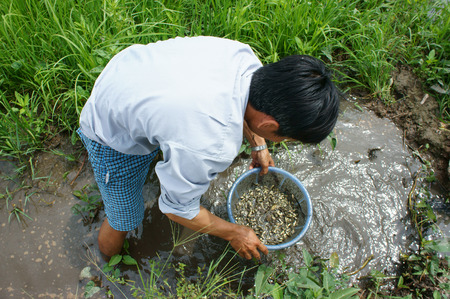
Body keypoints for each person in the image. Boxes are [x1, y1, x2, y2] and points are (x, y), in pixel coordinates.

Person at [77, 36, 339, 261]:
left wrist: (258, 143)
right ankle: (112, 269)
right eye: (287, 139)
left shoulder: (244, 59)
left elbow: (248, 107)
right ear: (269, 123)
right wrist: (235, 232)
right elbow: (175, 209)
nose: (282, 142)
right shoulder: (210, 145)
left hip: (131, 72)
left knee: (174, 147)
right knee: (123, 217)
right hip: (109, 126)